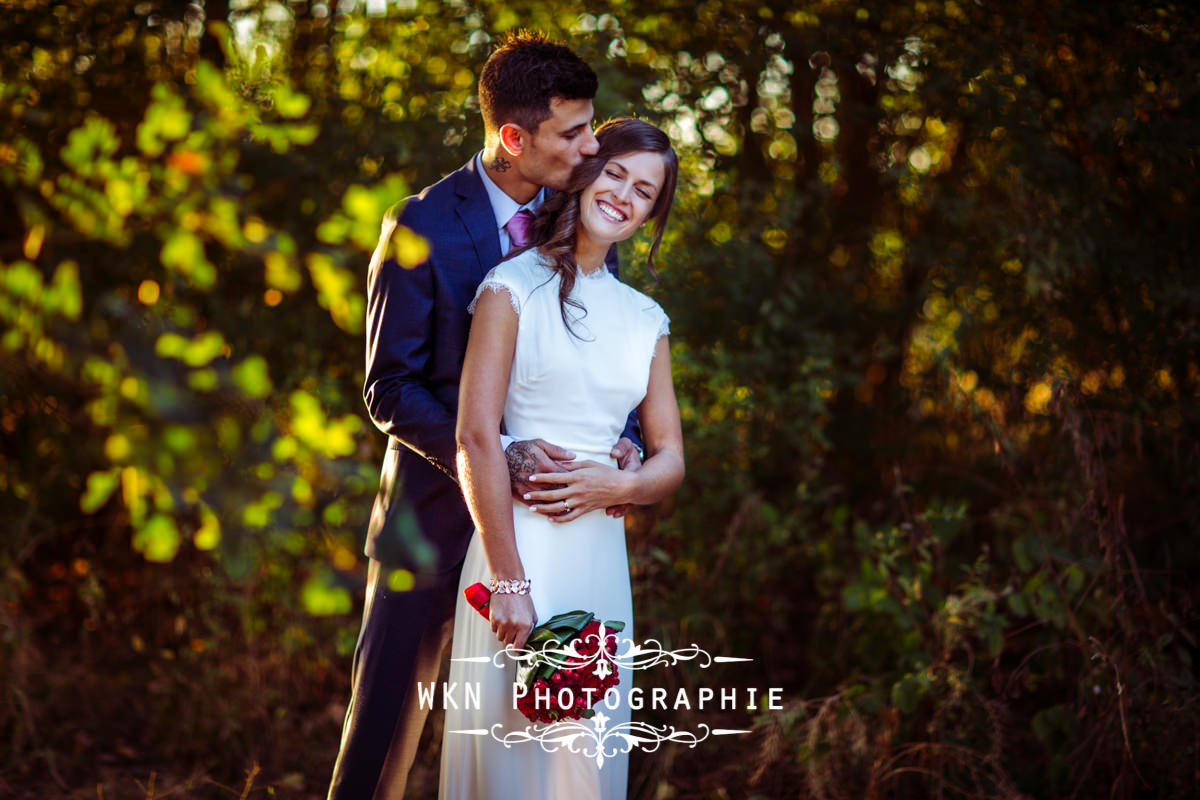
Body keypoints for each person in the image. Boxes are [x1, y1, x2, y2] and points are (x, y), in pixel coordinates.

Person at [328, 33, 644, 799]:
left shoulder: (583, 218)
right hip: (431, 528)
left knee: (540, 746)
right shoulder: (422, 225)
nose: (590, 146)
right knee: (383, 748)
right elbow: (390, 389)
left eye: (590, 126)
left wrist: (626, 442)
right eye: (572, 132)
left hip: (549, 538)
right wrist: (498, 452)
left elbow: (600, 352)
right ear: (513, 138)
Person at [441, 118, 684, 799]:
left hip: (599, 564)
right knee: (512, 764)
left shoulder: (646, 320)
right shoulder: (509, 288)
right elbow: (475, 437)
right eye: (615, 173)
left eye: (644, 191)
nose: (623, 196)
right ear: (585, 169)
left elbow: (670, 459)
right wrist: (511, 582)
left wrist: (621, 482)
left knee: (586, 769)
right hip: (517, 555)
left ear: (649, 215)